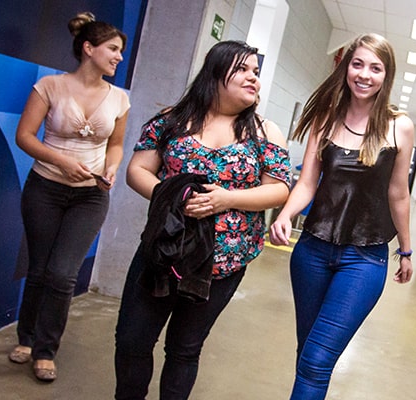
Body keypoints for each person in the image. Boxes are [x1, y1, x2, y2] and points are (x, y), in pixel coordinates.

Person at [114, 40, 291, 400]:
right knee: (132, 339)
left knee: (184, 348)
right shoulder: (172, 120)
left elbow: (277, 190)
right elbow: (138, 170)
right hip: (164, 251)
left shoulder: (264, 132)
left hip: (221, 263)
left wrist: (226, 199)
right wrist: (175, 197)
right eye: (242, 70)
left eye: (256, 72)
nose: (252, 78)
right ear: (215, 72)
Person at [268, 33, 415, 400]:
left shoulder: (400, 127)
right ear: (347, 67)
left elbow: (398, 192)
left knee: (317, 360)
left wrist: (408, 251)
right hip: (312, 251)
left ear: (387, 75)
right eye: (358, 64)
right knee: (308, 354)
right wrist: (286, 214)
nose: (364, 74)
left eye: (375, 68)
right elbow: (306, 182)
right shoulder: (325, 118)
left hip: (363, 258)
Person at [10, 12, 129, 382]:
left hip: (90, 196)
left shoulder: (119, 98)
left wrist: (111, 168)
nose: (119, 57)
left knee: (62, 274)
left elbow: (117, 144)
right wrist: (61, 160)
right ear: (89, 49)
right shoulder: (50, 86)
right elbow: (25, 136)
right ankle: (26, 338)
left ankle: (46, 351)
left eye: (121, 51)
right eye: (113, 49)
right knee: (41, 268)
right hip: (44, 188)